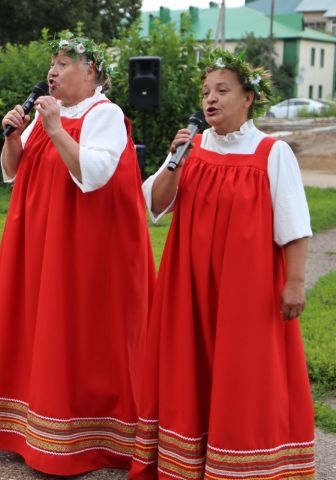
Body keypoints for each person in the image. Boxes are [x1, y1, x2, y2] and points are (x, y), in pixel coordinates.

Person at [0, 33, 155, 476]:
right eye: (52, 62)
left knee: (77, 332)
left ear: (91, 72)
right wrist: (13, 137)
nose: (53, 71)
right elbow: (13, 171)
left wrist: (52, 128)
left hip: (83, 247)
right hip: (39, 239)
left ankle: (86, 436)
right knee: (35, 326)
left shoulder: (105, 114)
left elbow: (95, 172)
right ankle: (31, 428)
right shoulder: (48, 114)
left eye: (64, 62)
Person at [130, 50, 315, 479]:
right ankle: (187, 462)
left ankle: (244, 464)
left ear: (248, 97)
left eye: (222, 91)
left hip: (244, 288)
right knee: (189, 370)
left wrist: (296, 282)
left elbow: (294, 224)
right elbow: (156, 206)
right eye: (206, 91)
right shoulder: (190, 148)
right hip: (189, 285)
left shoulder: (272, 152)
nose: (210, 100)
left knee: (244, 375)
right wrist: (177, 160)